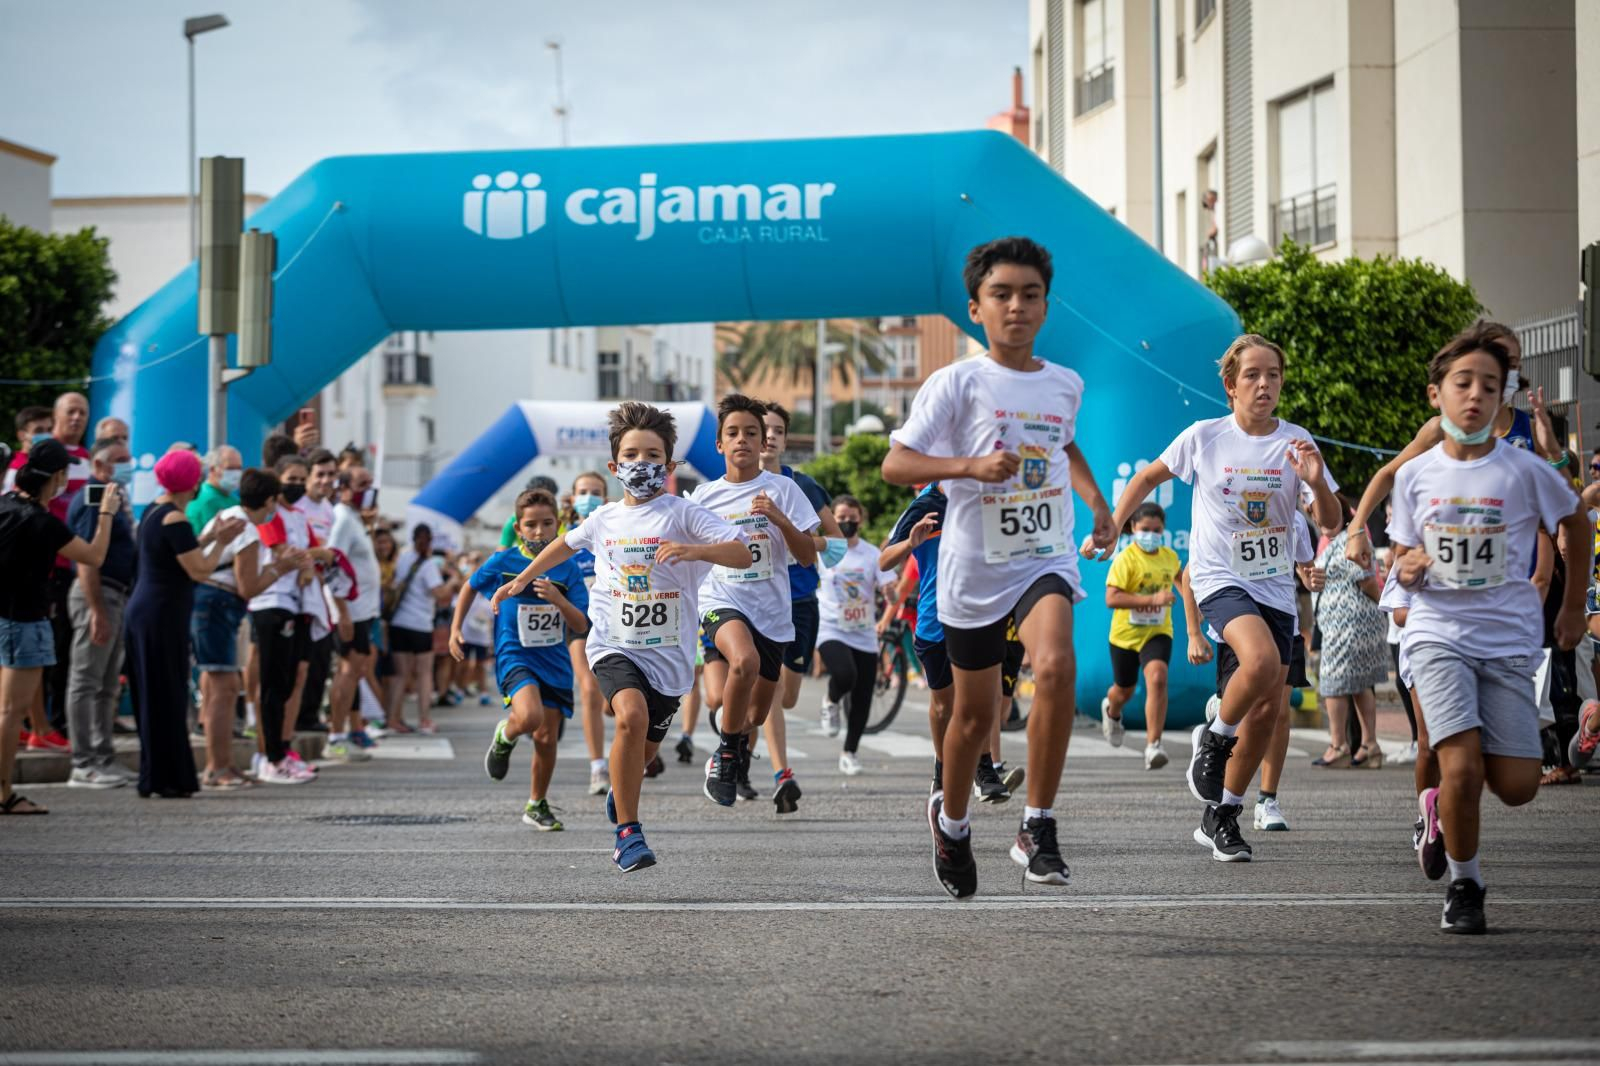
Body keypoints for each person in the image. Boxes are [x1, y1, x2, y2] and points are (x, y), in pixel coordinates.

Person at [884, 236, 1113, 897]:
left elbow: (1063, 444)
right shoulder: (957, 382)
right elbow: (896, 465)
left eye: (1030, 294)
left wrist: (1095, 501)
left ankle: (1037, 825)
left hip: (1042, 553)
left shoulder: (1064, 383)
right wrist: (967, 467)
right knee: (973, 720)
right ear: (975, 308)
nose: (1017, 306)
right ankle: (952, 823)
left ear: (1047, 305)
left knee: (1056, 665)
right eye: (1001, 295)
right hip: (972, 565)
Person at [1103, 334, 1342, 864]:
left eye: (1274, 375)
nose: (1265, 384)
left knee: (1266, 706)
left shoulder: (1297, 442)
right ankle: (1213, 739)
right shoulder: (1204, 437)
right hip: (1219, 577)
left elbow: (1330, 521)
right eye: (1253, 375)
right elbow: (1146, 477)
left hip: (1275, 586)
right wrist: (1114, 524)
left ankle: (1224, 815)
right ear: (1231, 386)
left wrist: (1315, 483)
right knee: (1258, 663)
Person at [1387, 323, 1586, 933]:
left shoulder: (1523, 471)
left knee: (1519, 785)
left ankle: (1441, 808)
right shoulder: (1414, 477)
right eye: (1462, 382)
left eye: (1489, 386)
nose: (1475, 394)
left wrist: (1572, 606)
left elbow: (1575, 523)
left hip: (1509, 643)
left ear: (1502, 399)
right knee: (1462, 769)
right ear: (1436, 395)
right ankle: (1465, 884)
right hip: (1437, 635)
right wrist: (1410, 567)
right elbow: (1403, 558)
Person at [492, 402, 748, 873]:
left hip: (668, 660)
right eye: (632, 455)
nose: (642, 464)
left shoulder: (683, 513)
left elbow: (741, 552)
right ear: (615, 466)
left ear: (669, 466)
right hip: (612, 644)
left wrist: (693, 550)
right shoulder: (604, 518)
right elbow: (561, 544)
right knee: (629, 715)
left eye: (653, 456)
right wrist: (521, 578)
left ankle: (621, 789)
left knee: (644, 751)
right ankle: (628, 834)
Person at [688, 394, 819, 806]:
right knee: (743, 661)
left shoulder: (784, 489)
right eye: (733, 433)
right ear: (719, 445)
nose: (742, 439)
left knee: (755, 717)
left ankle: (731, 747)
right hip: (722, 600)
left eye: (751, 432)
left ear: (763, 442)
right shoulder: (702, 498)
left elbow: (806, 555)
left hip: (773, 614)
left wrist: (779, 518)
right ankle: (727, 754)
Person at [1345, 321, 1561, 569]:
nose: (1506, 370)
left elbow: (1564, 505)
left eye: (1512, 365)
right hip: (1450, 578)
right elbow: (1390, 473)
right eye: (1498, 358)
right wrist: (1356, 527)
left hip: (1518, 571)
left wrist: (1555, 454)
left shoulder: (1530, 429)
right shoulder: (1440, 429)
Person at [1, 440, 124, 814]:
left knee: (6, 710)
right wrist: (105, 513)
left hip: (6, 617)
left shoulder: (6, 504)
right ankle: (4, 793)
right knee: (10, 712)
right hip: (24, 621)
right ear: (57, 477)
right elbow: (94, 555)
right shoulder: (41, 522)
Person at [459, 489, 588, 829]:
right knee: (528, 717)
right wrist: (454, 630)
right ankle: (505, 736)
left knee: (546, 739)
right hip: (514, 652)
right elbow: (469, 586)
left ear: (558, 526)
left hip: (555, 661)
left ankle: (536, 803)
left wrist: (559, 600)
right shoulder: (504, 563)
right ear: (518, 529)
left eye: (547, 524)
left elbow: (581, 624)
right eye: (530, 525)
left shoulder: (568, 568)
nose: (539, 532)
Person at [124, 450, 247, 799]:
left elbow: (179, 551)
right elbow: (199, 570)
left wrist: (209, 537)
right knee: (167, 694)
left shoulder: (155, 510)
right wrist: (222, 541)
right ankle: (168, 777)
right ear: (192, 481)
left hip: (147, 610)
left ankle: (155, 775)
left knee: (153, 694)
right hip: (161, 613)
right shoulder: (176, 518)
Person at [749, 400, 841, 813]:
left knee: (784, 696)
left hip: (799, 600)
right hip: (752, 600)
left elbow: (836, 544)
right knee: (764, 687)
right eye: (760, 429)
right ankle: (782, 773)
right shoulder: (730, 487)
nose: (768, 437)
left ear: (785, 439)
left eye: (777, 431)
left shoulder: (802, 486)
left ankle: (737, 745)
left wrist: (801, 540)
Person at [232, 467, 316, 784]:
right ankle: (271, 758)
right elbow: (292, 556)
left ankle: (278, 753)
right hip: (269, 604)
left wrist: (305, 561)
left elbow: (306, 557)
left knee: (280, 683)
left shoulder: (288, 517)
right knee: (269, 685)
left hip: (289, 603)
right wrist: (298, 561)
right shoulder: (256, 524)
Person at [63, 439, 137, 788]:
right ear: (98, 464)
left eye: (128, 458)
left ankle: (104, 757)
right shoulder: (94, 496)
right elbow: (86, 557)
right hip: (98, 595)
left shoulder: (114, 496)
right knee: (86, 680)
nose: (127, 464)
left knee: (107, 685)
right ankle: (83, 762)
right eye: (119, 460)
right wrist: (96, 611)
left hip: (116, 595)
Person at [1096, 501, 1185, 769]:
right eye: (1145, 529)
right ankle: (1112, 711)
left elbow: (1181, 579)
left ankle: (1153, 745)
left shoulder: (1169, 557)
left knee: (1157, 678)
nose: (1151, 535)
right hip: (1125, 635)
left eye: (1157, 530)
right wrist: (1155, 598)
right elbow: (1111, 598)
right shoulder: (1126, 559)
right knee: (1124, 690)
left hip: (1157, 632)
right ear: (1133, 528)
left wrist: (1193, 604)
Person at [814, 495, 894, 776]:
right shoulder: (822, 551)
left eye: (852, 517)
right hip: (831, 627)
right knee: (845, 675)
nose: (847, 522)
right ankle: (831, 701)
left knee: (863, 696)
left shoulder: (871, 553)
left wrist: (889, 596)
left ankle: (850, 752)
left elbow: (889, 587)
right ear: (831, 519)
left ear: (861, 518)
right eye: (841, 518)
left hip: (863, 631)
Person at [1313, 510, 1389, 768]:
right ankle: (1369, 744)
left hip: (1347, 622)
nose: (1317, 518)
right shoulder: (1342, 539)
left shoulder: (1350, 539)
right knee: (1360, 683)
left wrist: (1384, 604)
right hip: (1350, 621)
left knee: (1333, 681)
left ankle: (1339, 744)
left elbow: (1366, 580)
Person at [324, 466, 382, 761]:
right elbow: (333, 565)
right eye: (363, 484)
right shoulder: (342, 520)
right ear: (344, 487)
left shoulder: (355, 518)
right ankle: (335, 736)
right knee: (347, 672)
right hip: (351, 611)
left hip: (364, 610)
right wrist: (342, 612)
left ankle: (349, 730)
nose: (369, 489)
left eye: (370, 483)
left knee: (355, 670)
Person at [561, 471, 612, 796]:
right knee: (589, 690)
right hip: (579, 623)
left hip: (615, 623)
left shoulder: (614, 530)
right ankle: (598, 767)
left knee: (613, 702)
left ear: (605, 499)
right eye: (583, 491)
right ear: (572, 497)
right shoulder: (565, 537)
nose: (588, 497)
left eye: (595, 492)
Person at [386, 524, 453, 734]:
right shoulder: (429, 565)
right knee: (424, 674)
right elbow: (439, 594)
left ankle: (393, 719)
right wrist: (453, 581)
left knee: (400, 675)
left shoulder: (403, 558)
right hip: (420, 624)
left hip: (398, 622)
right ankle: (425, 720)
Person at [188, 446, 244, 533]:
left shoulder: (232, 498)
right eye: (230, 469)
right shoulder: (208, 500)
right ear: (213, 469)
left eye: (239, 468)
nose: (236, 474)